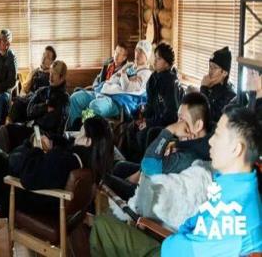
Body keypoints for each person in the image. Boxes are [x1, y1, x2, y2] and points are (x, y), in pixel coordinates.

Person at [90, 105, 262, 257]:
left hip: (171, 249)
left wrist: (169, 131)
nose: (210, 141)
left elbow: (182, 250)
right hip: (177, 241)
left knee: (103, 225)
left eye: (217, 135)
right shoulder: (235, 188)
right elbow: (196, 222)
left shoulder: (233, 213)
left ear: (236, 149)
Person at [106, 92, 212, 200]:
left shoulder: (187, 157)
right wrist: (176, 143)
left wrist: (169, 130)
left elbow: (148, 166)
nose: (177, 123)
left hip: (153, 198)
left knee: (104, 180)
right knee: (119, 167)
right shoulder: (205, 142)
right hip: (158, 178)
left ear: (198, 125)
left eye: (181, 119)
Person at [9, 116, 114, 215]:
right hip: (57, 204)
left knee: (6, 158)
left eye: (80, 133)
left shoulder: (65, 160)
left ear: (87, 141)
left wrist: (37, 149)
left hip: (40, 205)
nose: (76, 136)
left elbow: (28, 178)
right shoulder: (92, 163)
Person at [0, 60, 70, 153]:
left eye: (54, 74)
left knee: (12, 137)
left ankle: (1, 157)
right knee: (5, 130)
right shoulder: (42, 91)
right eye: (50, 73)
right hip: (33, 129)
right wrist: (44, 108)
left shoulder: (64, 99)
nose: (50, 77)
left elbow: (50, 123)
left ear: (61, 77)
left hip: (45, 137)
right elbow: (29, 110)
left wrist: (36, 115)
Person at [128, 42, 180, 160]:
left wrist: (149, 122)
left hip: (168, 124)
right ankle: (131, 162)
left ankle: (143, 164)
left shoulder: (171, 83)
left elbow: (171, 116)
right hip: (155, 119)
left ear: (167, 63)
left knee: (147, 133)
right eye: (155, 57)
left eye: (159, 59)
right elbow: (150, 104)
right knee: (132, 127)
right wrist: (143, 118)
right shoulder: (154, 77)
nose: (155, 61)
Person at [67, 43, 128, 128]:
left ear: (124, 57)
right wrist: (96, 86)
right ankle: (75, 129)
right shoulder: (109, 64)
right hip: (98, 92)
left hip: (112, 99)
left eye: (119, 54)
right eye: (115, 52)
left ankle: (82, 123)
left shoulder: (127, 69)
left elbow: (126, 87)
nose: (116, 56)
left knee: (94, 106)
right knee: (74, 98)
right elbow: (98, 78)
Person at [9, 45, 56, 123]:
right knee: (16, 103)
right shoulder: (35, 71)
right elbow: (25, 88)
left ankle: (12, 126)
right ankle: (12, 126)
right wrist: (24, 95)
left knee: (18, 105)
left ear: (52, 62)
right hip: (30, 98)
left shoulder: (52, 76)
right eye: (43, 55)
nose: (44, 58)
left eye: (47, 57)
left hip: (39, 103)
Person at [200, 46, 236, 122]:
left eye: (215, 67)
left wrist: (203, 89)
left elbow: (210, 118)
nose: (210, 71)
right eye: (210, 66)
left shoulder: (230, 96)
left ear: (225, 73)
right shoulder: (210, 86)